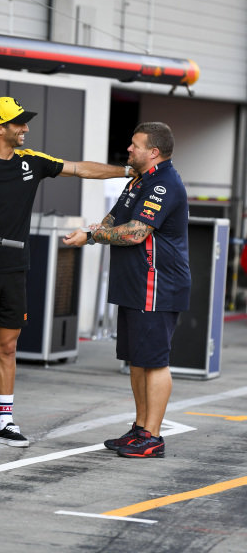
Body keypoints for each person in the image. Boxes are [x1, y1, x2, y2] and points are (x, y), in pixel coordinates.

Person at [0, 96, 135, 448]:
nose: (25, 128)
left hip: (14, 267)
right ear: (0, 128)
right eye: (18, 123)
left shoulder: (33, 162)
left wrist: (128, 171)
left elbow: (80, 168)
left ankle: (6, 423)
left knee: (7, 346)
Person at [63, 122, 191, 458]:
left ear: (154, 152)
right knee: (137, 360)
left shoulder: (164, 183)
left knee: (155, 362)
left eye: (135, 145)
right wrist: (93, 232)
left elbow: (135, 233)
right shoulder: (139, 181)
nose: (129, 150)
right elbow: (113, 220)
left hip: (158, 284)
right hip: (135, 284)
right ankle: (140, 429)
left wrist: (91, 237)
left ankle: (154, 436)